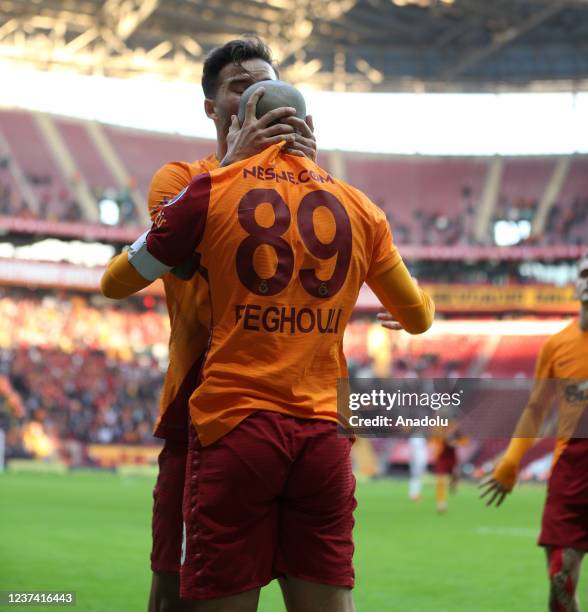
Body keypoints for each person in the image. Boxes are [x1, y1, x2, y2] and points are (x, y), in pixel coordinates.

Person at [101, 83, 434, 611]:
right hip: (323, 435)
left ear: (239, 124)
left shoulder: (209, 191)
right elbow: (417, 316)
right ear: (306, 125)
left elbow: (116, 282)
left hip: (237, 427)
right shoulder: (360, 209)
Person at [143, 36, 318, 612]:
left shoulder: (311, 190)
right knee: (177, 587)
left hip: (297, 416)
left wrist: (311, 177)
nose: (256, 94)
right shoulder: (177, 178)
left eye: (265, 83)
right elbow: (182, 252)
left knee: (309, 585)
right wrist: (236, 164)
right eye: (240, 85)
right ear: (212, 108)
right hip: (200, 406)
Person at [480, 251, 588, 612]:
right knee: (560, 580)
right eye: (585, 273)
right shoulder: (557, 346)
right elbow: (536, 410)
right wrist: (511, 462)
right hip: (571, 470)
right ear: (576, 283)